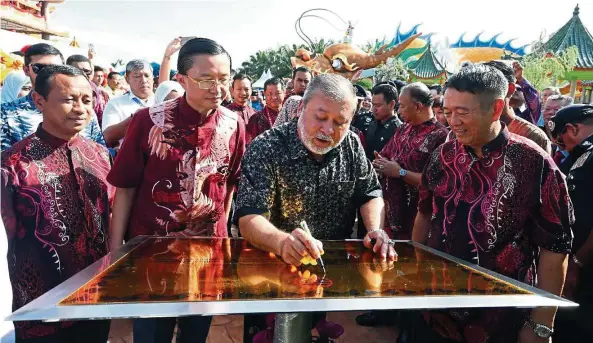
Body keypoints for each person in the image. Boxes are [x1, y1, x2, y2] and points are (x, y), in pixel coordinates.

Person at [409, 64, 573, 343]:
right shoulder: (442, 156)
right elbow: (424, 214)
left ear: (496, 108)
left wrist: (542, 323)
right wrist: (415, 274)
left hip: (499, 318)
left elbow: (554, 249)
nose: (453, 122)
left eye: (462, 112)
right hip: (436, 307)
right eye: (448, 112)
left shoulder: (534, 163)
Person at [236, 73, 395, 342]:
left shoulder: (351, 145)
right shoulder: (266, 147)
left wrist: (375, 230)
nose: (328, 130)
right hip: (269, 275)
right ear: (301, 109)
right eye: (320, 118)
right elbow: (249, 216)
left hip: (324, 276)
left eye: (340, 122)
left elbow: (369, 192)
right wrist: (283, 242)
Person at [107, 37, 244, 343]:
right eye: (206, 79)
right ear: (181, 80)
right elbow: (126, 188)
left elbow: (230, 182)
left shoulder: (235, 124)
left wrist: (222, 232)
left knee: (196, 332)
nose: (217, 88)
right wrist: (116, 252)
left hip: (208, 254)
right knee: (152, 333)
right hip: (153, 254)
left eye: (224, 79)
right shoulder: (148, 121)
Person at [1, 65, 114, 343]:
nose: (80, 108)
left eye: (87, 100)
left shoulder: (99, 154)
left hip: (95, 296)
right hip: (40, 302)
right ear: (39, 101)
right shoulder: (13, 164)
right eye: (68, 99)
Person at [1, 43, 105, 151]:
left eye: (56, 68)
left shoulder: (84, 111)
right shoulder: (6, 113)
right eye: (40, 68)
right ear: (26, 70)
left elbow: (99, 153)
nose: (48, 74)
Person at [549, 105, 593, 343]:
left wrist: (577, 262)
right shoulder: (581, 156)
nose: (560, 148)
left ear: (573, 129)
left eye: (561, 141)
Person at [484, 60, 552, 154]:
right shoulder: (467, 130)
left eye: (519, 89)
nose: (481, 94)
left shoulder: (533, 136)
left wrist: (521, 79)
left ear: (510, 89)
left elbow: (534, 100)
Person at [101, 59, 155, 147]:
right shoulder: (115, 104)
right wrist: (136, 119)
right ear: (127, 79)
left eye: (147, 75)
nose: (144, 80)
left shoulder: (161, 101)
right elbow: (107, 136)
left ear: (152, 78)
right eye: (137, 76)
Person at [66, 54, 110, 128]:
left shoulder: (102, 95)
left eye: (87, 71)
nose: (83, 74)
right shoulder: (57, 93)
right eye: (77, 71)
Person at [364, 83, 403, 161]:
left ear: (392, 104)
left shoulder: (399, 130)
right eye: (373, 105)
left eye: (378, 105)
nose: (374, 109)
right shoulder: (372, 124)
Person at [246, 77, 285, 143]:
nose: (274, 97)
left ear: (284, 92)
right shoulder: (256, 118)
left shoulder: (290, 115)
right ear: (264, 94)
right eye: (270, 94)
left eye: (277, 93)